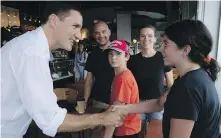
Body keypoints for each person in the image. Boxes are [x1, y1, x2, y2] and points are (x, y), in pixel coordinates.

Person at [1, 3, 126, 138]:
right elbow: (51, 120)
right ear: (54, 21)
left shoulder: (33, 47)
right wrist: (103, 118)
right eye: (75, 26)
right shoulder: (32, 53)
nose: (79, 35)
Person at [113, 19, 221, 138]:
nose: (162, 49)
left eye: (166, 43)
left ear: (185, 50)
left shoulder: (188, 87)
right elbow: (159, 103)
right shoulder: (192, 76)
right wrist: (124, 108)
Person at [128, 25, 174, 137]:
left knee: (156, 135)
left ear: (154, 39)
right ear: (139, 39)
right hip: (139, 103)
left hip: (157, 104)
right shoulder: (132, 60)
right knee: (138, 134)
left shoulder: (162, 58)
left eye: (150, 36)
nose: (146, 39)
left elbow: (170, 83)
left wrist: (166, 101)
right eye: (142, 36)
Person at [103, 40, 141, 138]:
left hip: (126, 130)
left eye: (118, 54)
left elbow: (116, 112)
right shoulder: (120, 75)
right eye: (110, 54)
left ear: (127, 57)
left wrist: (106, 136)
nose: (113, 57)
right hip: (126, 129)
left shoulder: (123, 79)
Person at [84, 21, 114, 110]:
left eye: (104, 32)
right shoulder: (92, 54)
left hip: (117, 102)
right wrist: (85, 101)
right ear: (94, 35)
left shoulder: (118, 51)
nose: (101, 36)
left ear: (109, 32)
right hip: (98, 102)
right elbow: (89, 79)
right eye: (97, 33)